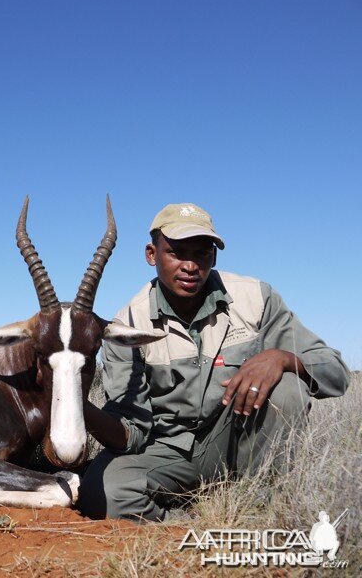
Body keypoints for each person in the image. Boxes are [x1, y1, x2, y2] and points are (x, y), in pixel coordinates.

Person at [78, 203, 350, 521]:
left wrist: (282, 358)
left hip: (238, 443)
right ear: (152, 254)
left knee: (287, 387)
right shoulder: (128, 326)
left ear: (214, 256)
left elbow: (336, 373)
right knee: (101, 491)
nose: (191, 266)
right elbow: (132, 435)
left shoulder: (257, 299)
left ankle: (259, 508)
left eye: (202, 253)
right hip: (169, 451)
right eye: (177, 252)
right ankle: (194, 525)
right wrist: (79, 408)